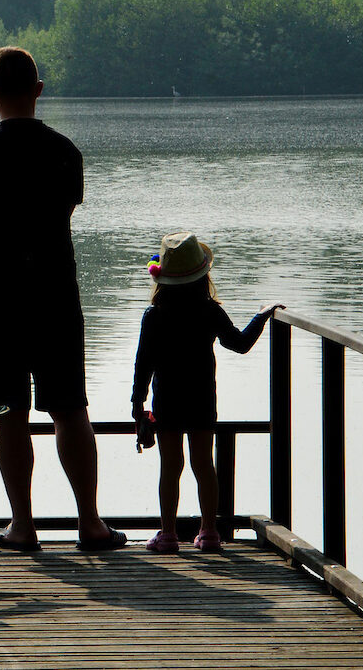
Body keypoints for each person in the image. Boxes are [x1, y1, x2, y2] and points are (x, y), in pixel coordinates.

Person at [0, 46, 125, 553]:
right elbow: (61, 213)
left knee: (10, 413)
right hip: (55, 295)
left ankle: (23, 527)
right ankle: (91, 523)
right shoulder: (66, 152)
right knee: (70, 409)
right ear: (39, 91)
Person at [131, 231, 283, 553]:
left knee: (170, 468)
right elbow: (239, 344)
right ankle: (209, 532)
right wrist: (261, 314)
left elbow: (143, 364)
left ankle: (168, 534)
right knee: (204, 465)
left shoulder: (154, 315)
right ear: (203, 276)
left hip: (167, 401)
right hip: (201, 399)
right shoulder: (209, 310)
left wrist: (137, 404)